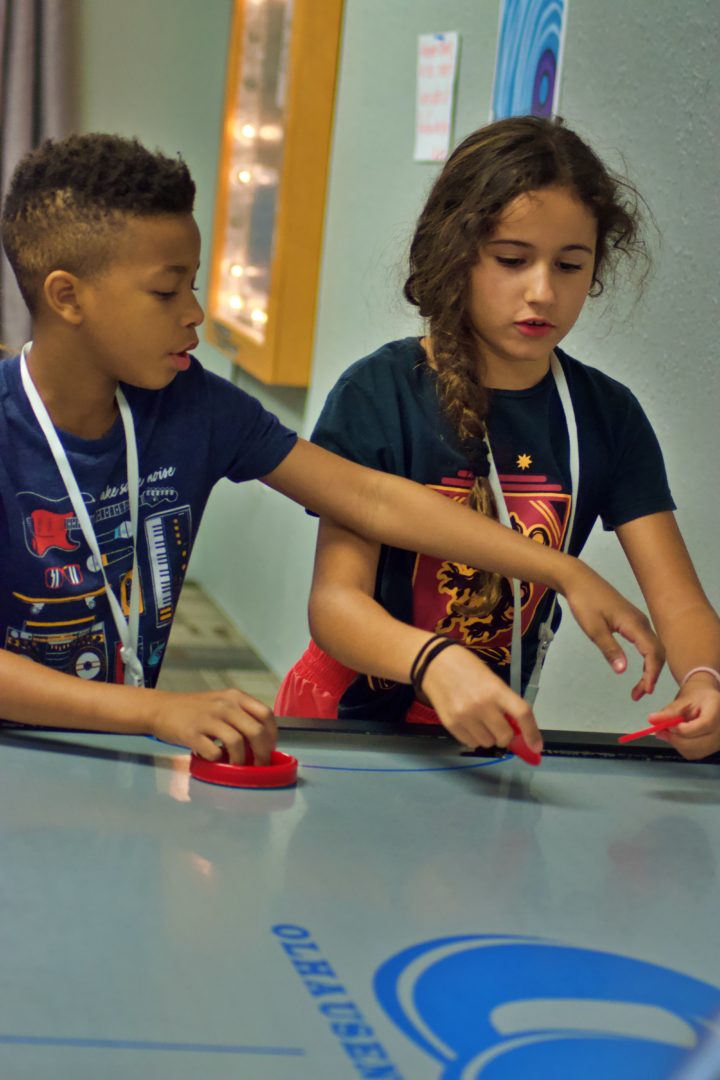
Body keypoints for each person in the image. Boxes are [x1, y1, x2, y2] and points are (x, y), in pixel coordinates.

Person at [0, 133, 660, 766]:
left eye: (193, 286)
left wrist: (565, 573)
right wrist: (152, 713)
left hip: (107, 752)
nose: (194, 313)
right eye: (167, 291)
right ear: (67, 296)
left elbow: (371, 497)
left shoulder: (197, 407)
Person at [276, 116, 720, 762]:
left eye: (571, 265)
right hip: (352, 731)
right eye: (512, 260)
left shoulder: (607, 416)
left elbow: (679, 601)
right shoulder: (380, 393)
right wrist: (434, 661)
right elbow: (335, 604)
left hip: (486, 744)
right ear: (456, 253)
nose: (542, 292)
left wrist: (704, 681)